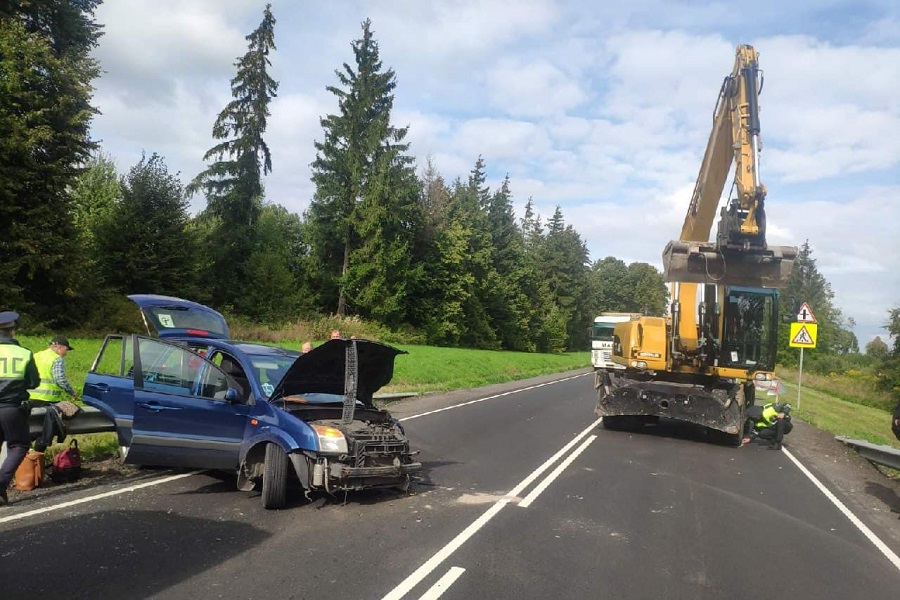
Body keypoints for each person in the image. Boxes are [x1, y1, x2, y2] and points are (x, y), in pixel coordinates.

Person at [0, 311, 40, 505]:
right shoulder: (24, 353)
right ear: (12, 331)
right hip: (11, 407)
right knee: (19, 445)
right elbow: (33, 382)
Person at [31, 336, 80, 452]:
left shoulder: (36, 355)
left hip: (31, 397)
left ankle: (27, 455)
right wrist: (72, 391)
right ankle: (37, 454)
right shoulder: (57, 359)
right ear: (59, 347)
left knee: (33, 426)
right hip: (48, 399)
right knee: (47, 428)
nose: (66, 353)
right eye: (66, 350)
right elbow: (60, 379)